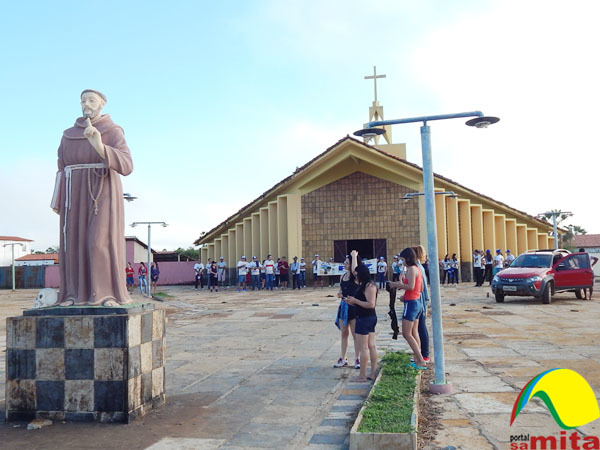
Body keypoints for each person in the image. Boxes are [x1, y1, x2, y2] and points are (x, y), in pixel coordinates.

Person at [51, 90, 133, 307]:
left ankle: (107, 294)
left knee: (98, 242)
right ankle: (73, 295)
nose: (86, 104)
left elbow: (127, 165)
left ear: (102, 104)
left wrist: (99, 145)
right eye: (83, 100)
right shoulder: (68, 134)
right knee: (73, 243)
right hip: (73, 192)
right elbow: (61, 167)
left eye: (91, 100)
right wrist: (59, 198)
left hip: (102, 189)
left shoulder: (112, 131)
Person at [389, 247, 427, 370]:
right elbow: (419, 288)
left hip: (411, 304)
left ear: (408, 259)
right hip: (416, 302)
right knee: (414, 332)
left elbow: (410, 286)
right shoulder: (417, 269)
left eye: (403, 259)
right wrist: (402, 285)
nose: (402, 262)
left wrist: (395, 284)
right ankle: (418, 359)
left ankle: (420, 360)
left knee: (406, 333)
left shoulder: (411, 269)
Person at [343, 250, 378, 381]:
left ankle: (363, 375)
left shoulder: (369, 286)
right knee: (370, 346)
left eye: (357, 275)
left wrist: (355, 301)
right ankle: (371, 373)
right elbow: (353, 270)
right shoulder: (364, 284)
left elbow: (370, 304)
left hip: (365, 318)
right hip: (366, 317)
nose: (355, 276)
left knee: (365, 347)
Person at [334, 254, 360, 369]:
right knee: (344, 333)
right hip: (343, 307)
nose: (345, 264)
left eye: (347, 263)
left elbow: (355, 270)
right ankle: (343, 357)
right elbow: (340, 290)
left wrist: (354, 256)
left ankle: (357, 358)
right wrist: (339, 294)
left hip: (353, 307)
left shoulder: (355, 277)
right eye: (344, 262)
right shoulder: (342, 276)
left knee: (355, 334)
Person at [414, 245, 430, 363]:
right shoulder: (418, 267)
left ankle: (424, 354)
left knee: (421, 328)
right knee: (418, 328)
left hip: (419, 301)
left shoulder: (418, 268)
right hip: (419, 301)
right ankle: (420, 353)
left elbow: (422, 286)